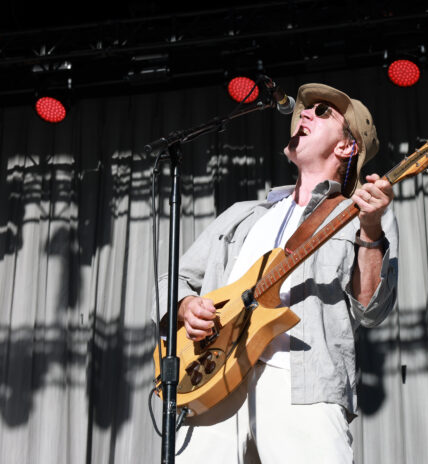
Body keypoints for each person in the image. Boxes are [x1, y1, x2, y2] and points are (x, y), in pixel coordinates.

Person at [155, 83, 399, 463]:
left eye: (322, 112)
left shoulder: (361, 212)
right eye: (306, 109)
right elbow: (172, 280)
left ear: (346, 147)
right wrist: (187, 307)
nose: (305, 113)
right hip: (214, 381)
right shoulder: (242, 214)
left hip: (302, 383)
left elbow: (371, 309)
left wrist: (370, 230)